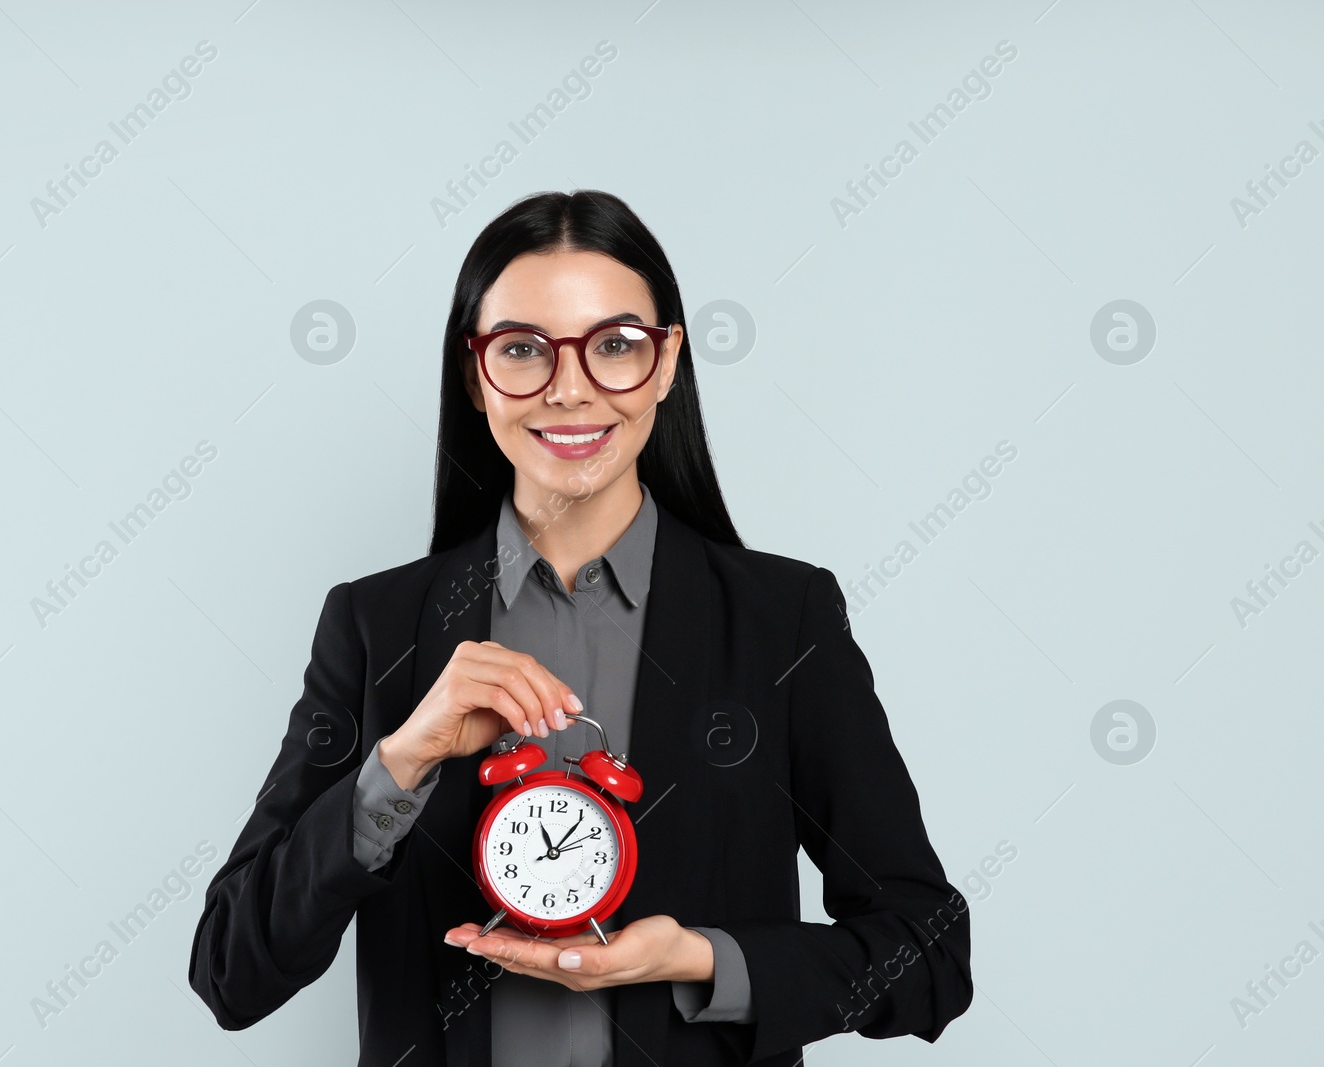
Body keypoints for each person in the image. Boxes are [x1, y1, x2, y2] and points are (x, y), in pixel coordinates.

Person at [187, 190, 972, 1066]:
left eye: (615, 346)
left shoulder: (780, 621)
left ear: (667, 361)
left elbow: (931, 953)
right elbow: (230, 971)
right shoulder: (376, 625)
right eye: (523, 348)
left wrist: (703, 960)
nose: (570, 388)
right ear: (475, 374)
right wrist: (397, 763)